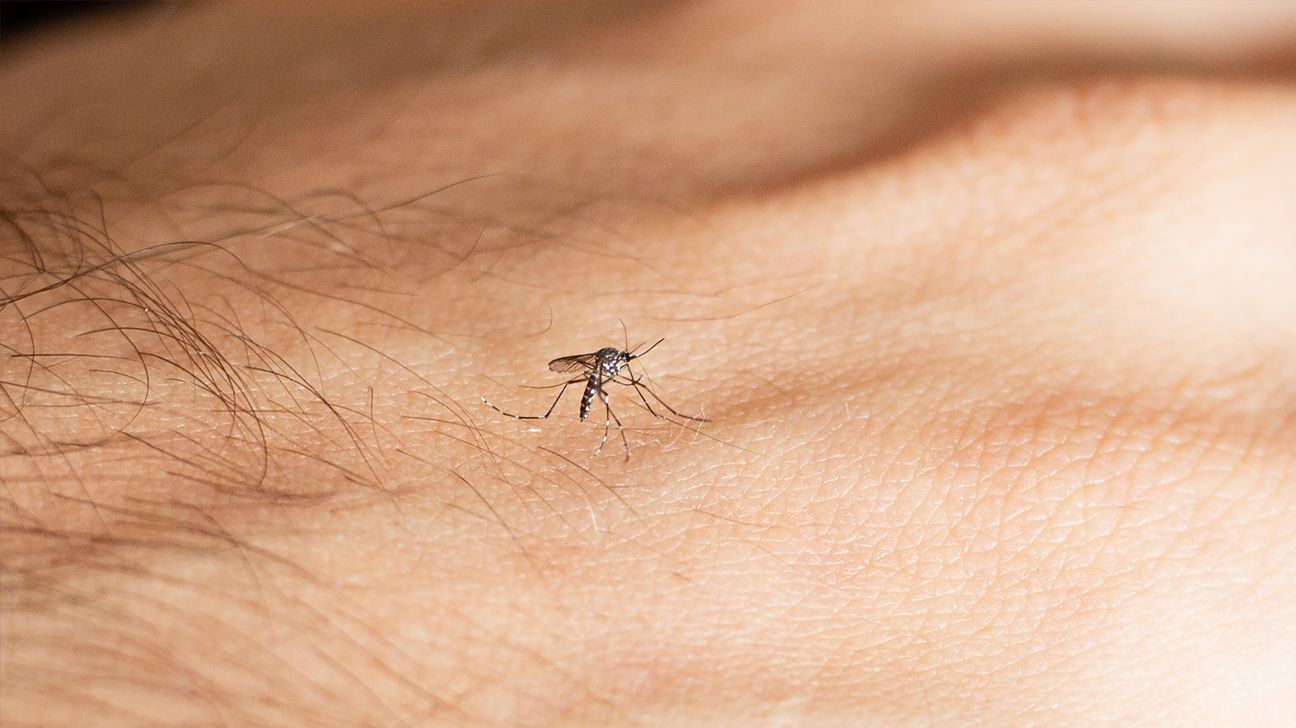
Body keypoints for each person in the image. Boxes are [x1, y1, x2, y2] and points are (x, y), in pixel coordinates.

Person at [2, 2, 1293, 725]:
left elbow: (624, 349)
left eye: (616, 371)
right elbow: (603, 351)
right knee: (590, 405)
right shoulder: (600, 363)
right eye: (613, 371)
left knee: (610, 402)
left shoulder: (621, 355)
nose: (613, 375)